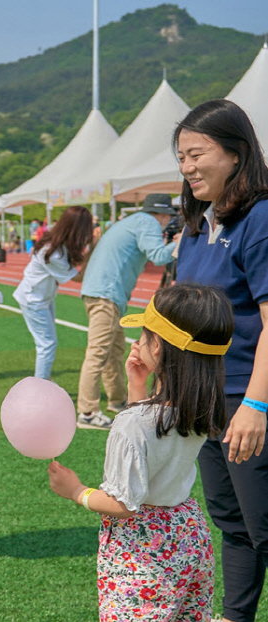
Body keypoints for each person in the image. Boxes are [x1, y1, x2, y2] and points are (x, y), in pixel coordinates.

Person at [49, 283, 231, 621]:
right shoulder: (202, 406)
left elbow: (123, 504)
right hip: (188, 533)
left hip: (144, 551)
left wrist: (76, 491)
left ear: (158, 347)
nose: (137, 342)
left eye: (144, 335)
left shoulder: (133, 423)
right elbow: (156, 442)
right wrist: (137, 386)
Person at [172, 99, 268, 622]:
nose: (186, 167)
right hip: (206, 401)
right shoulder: (194, 226)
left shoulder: (261, 218)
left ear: (235, 154)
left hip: (247, 400)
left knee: (265, 527)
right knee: (232, 524)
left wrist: (256, 403)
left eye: (196, 154)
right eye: (180, 157)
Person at [76, 194, 179, 430]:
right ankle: (88, 412)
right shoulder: (148, 223)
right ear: (162, 215)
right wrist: (180, 242)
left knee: (114, 351)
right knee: (98, 353)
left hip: (102, 292)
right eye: (168, 217)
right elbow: (159, 256)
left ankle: (117, 400)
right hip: (107, 293)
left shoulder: (130, 221)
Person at [13, 205, 93, 380]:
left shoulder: (58, 244)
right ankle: (40, 389)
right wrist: (92, 251)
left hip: (43, 297)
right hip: (33, 299)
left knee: (47, 343)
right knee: (47, 345)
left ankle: (43, 381)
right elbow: (78, 277)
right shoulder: (52, 252)